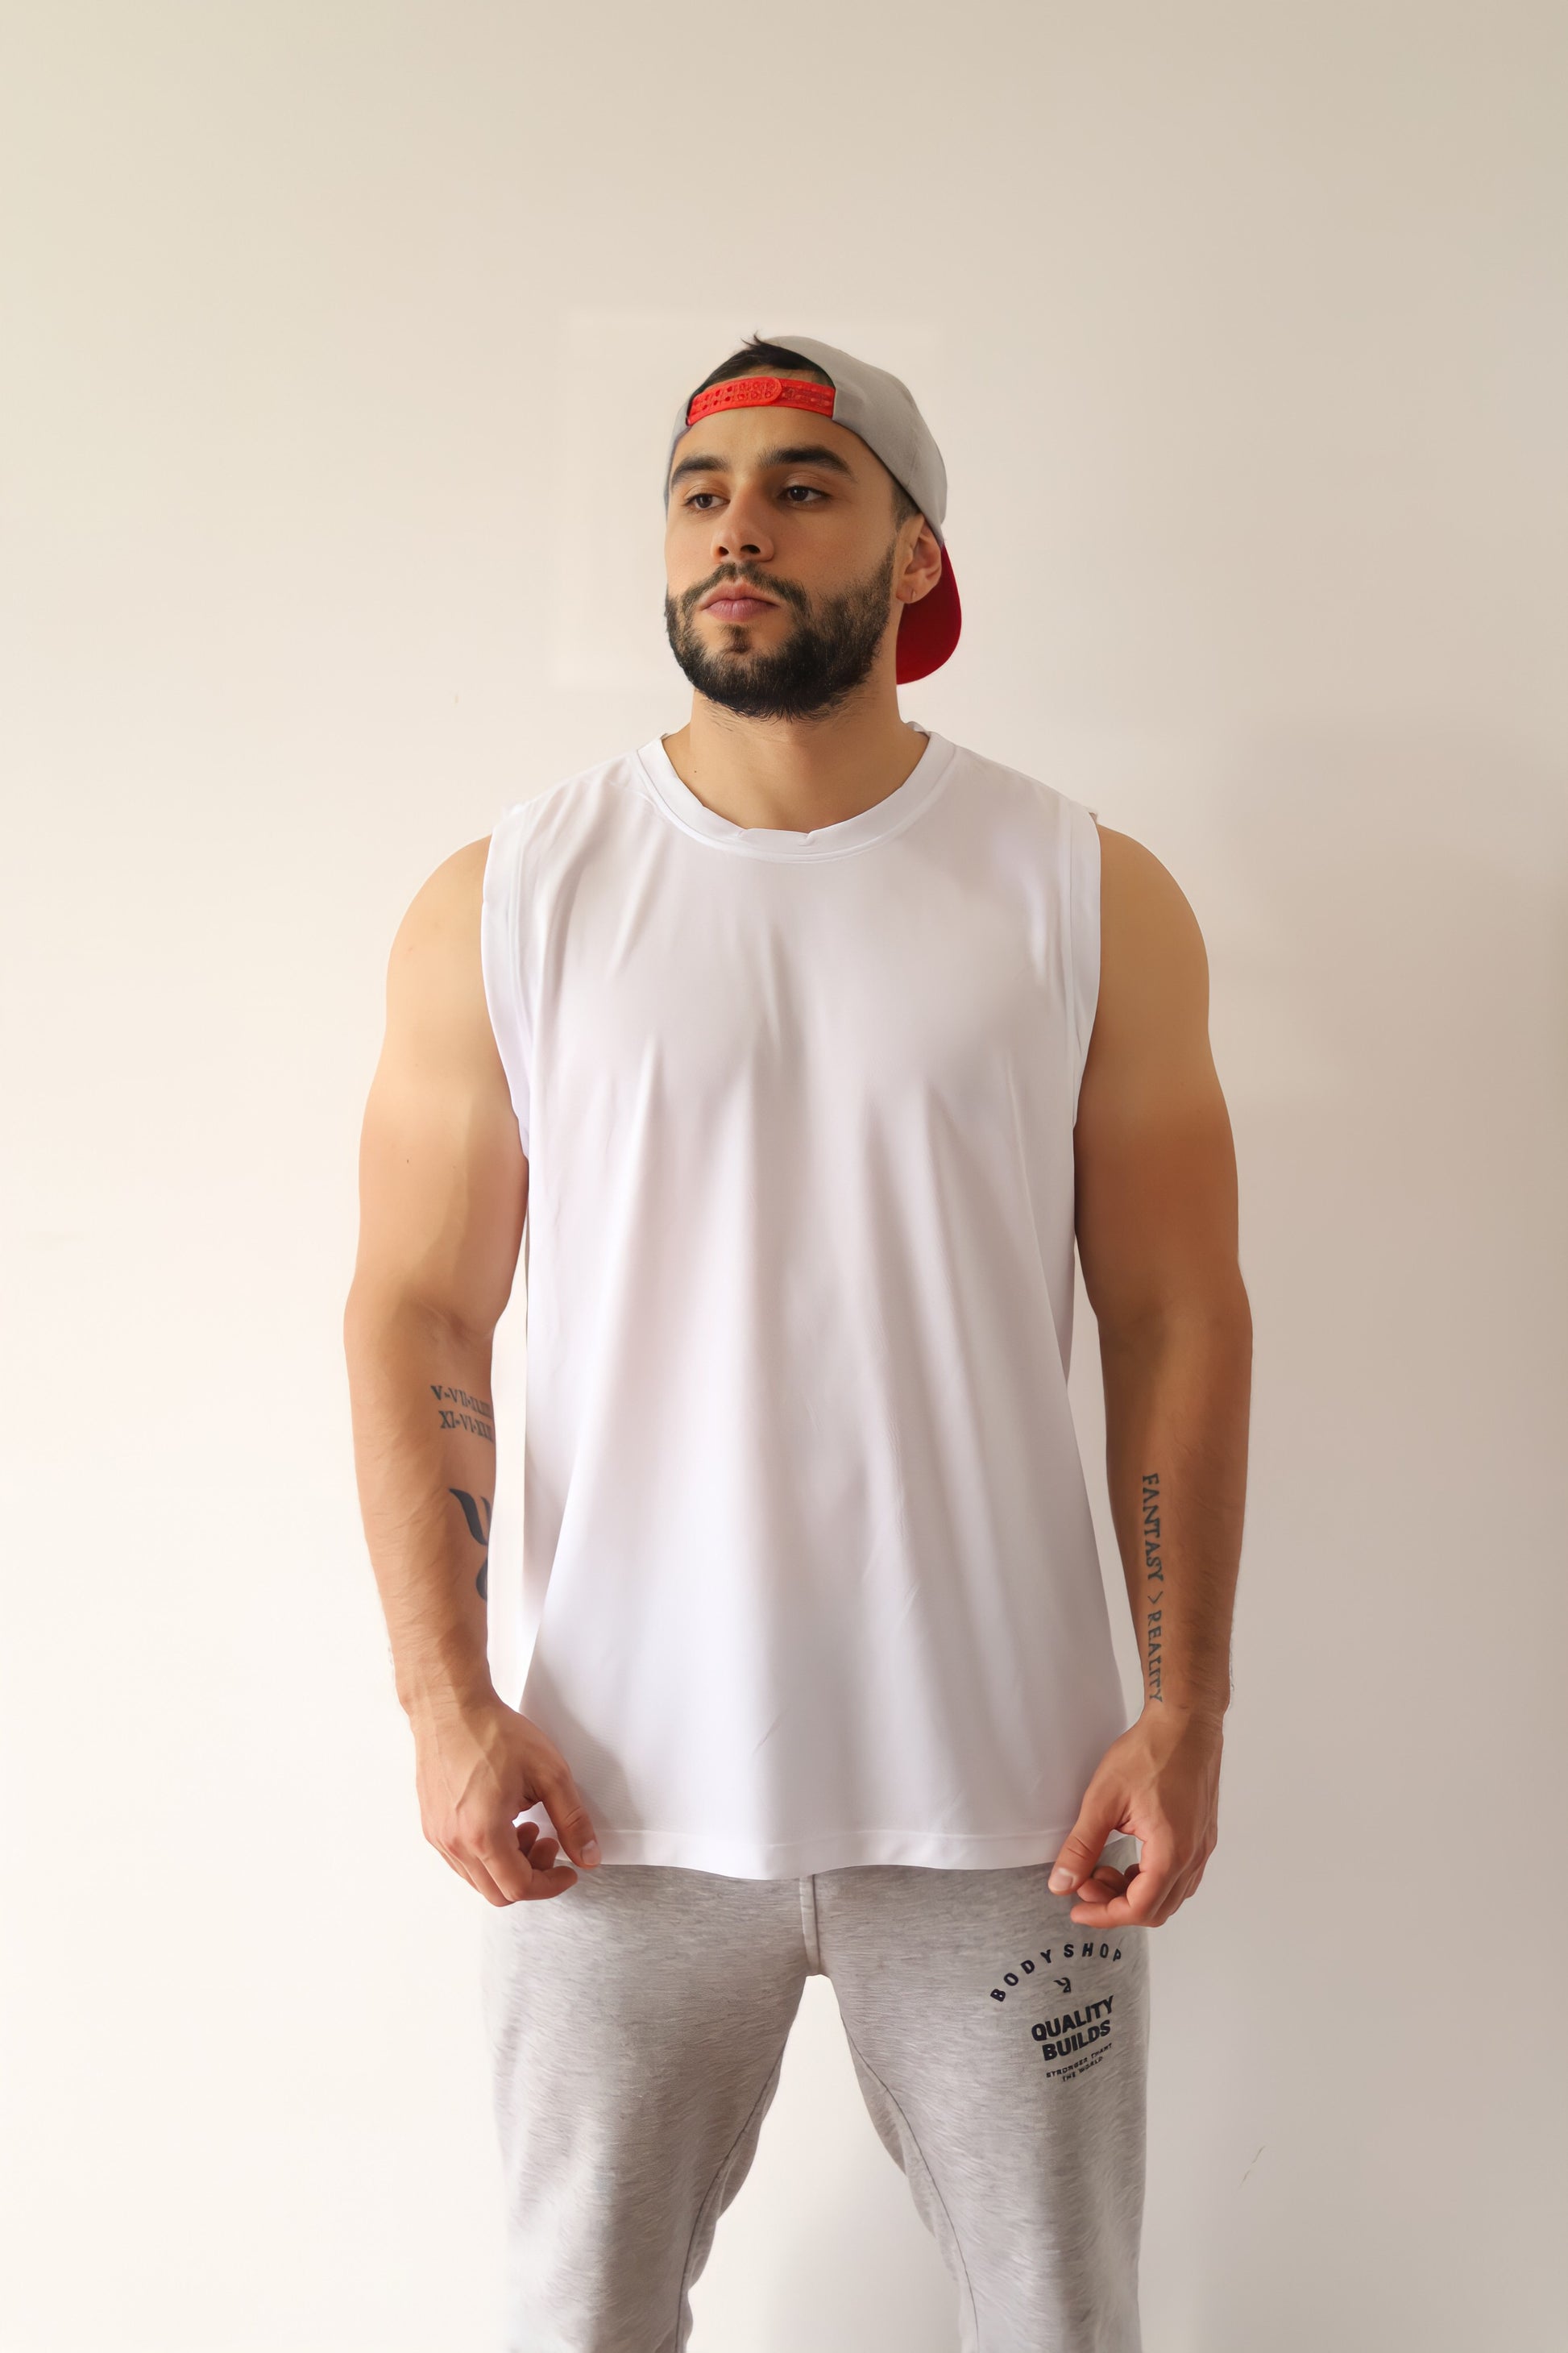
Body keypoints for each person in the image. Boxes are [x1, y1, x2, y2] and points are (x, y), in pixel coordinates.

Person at [342, 334, 1251, 2351]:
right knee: (577, 2321)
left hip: (1013, 1799)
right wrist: (443, 1698)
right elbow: (417, 1308)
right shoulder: (510, 900)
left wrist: (1183, 1703)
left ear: (915, 556)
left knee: (1059, 2322)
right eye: (699, 491)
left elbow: (1174, 1310)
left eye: (801, 486)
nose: (735, 527)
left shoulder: (1082, 892)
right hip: (606, 1797)